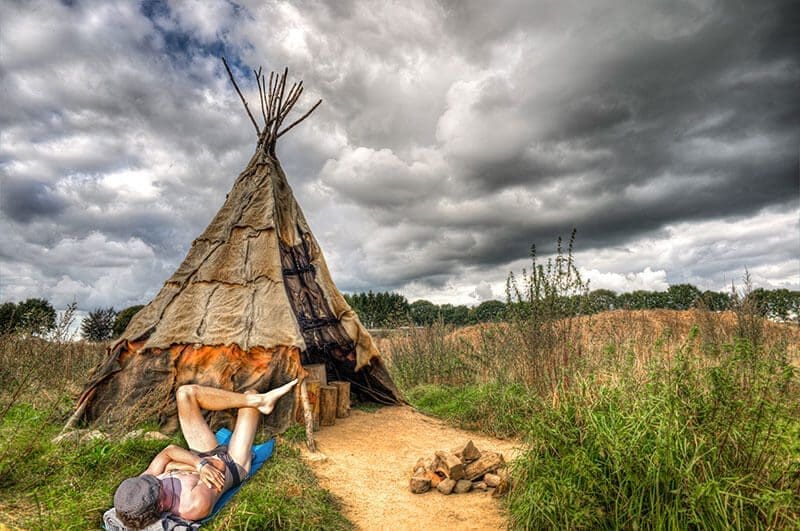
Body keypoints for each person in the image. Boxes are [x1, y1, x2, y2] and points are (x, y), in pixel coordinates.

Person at [112, 379, 298, 528]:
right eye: (156, 486)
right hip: (233, 464)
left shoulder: (143, 487)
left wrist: (196, 465)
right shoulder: (192, 505)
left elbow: (168, 451)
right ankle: (256, 400)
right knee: (251, 395)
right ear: (160, 505)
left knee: (185, 393)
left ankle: (260, 402)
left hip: (201, 457)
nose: (155, 479)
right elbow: (219, 466)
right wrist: (181, 463)